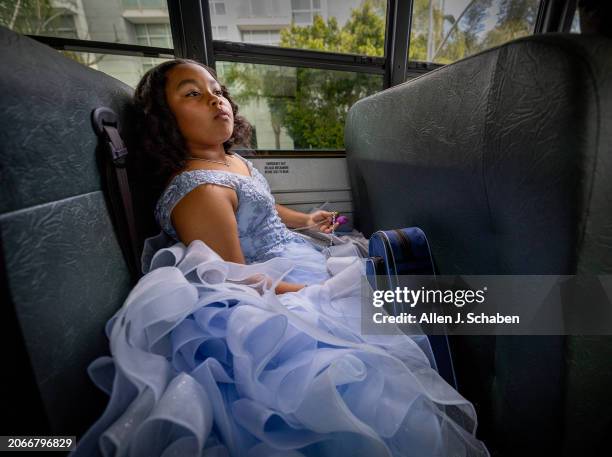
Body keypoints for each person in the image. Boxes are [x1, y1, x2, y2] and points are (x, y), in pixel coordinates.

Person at [73, 59, 489, 457]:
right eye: (193, 94)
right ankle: (517, 324)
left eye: (217, 92)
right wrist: (319, 291)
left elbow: (263, 208)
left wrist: (305, 219)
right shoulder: (199, 190)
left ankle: (495, 323)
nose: (216, 100)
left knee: (407, 289)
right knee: (381, 323)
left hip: (297, 255)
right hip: (272, 284)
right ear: (165, 120)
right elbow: (235, 276)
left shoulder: (230, 160)